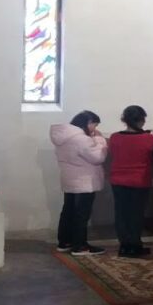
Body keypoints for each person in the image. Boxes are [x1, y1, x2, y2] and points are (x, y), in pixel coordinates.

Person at [50, 110, 108, 256]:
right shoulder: (81, 139)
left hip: (70, 179)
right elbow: (97, 157)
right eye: (94, 125)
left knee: (68, 211)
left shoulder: (64, 137)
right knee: (82, 214)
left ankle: (65, 242)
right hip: (84, 181)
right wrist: (100, 140)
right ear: (88, 123)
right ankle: (80, 246)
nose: (95, 129)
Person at [108, 105, 153, 258]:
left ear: (125, 120)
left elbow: (114, 153)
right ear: (142, 120)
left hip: (118, 179)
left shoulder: (115, 137)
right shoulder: (149, 138)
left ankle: (124, 245)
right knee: (136, 213)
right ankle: (135, 244)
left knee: (121, 213)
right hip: (139, 179)